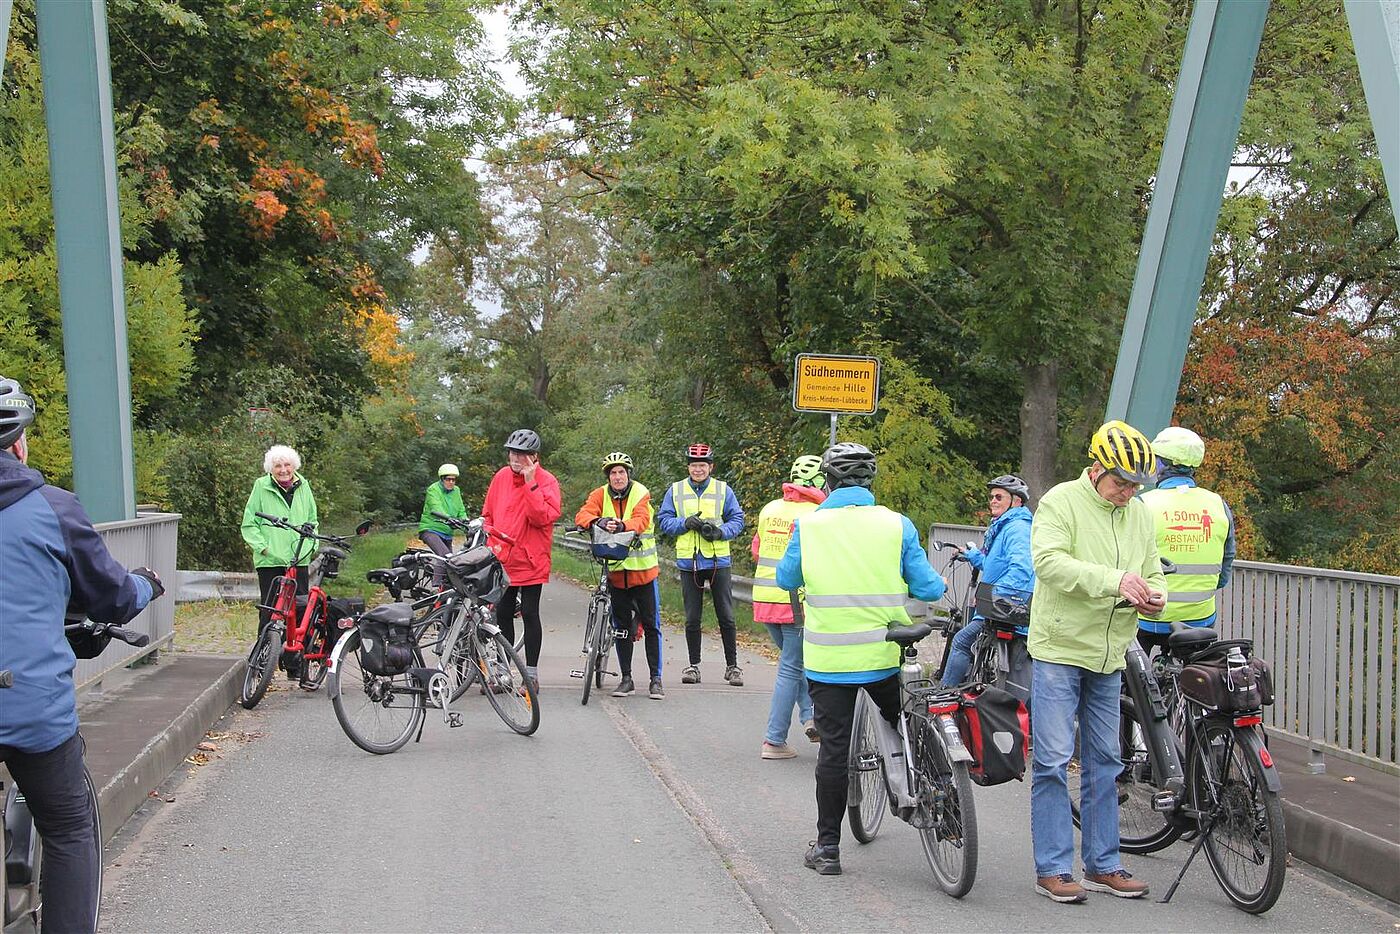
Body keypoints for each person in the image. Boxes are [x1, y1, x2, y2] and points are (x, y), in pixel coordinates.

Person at [0, 376, 164, 934]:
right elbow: (112, 596)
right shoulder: (51, 508)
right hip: (25, 706)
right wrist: (148, 584)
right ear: (19, 445)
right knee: (70, 825)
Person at [775, 442, 946, 876]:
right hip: (884, 654)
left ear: (828, 483)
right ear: (870, 482)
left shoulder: (810, 527)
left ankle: (828, 849)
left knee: (834, 751)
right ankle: (939, 793)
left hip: (829, 661)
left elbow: (785, 578)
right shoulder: (896, 524)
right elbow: (928, 589)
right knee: (908, 722)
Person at [1027, 420, 1167, 903]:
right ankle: (1053, 869)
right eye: (1120, 482)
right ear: (1096, 469)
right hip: (1060, 650)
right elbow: (1047, 562)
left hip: (1110, 653)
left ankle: (1103, 864)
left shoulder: (1140, 513)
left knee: (1106, 761)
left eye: (1135, 485)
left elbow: (1151, 570)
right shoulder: (1060, 502)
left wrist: (1155, 596)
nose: (1128, 492)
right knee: (1051, 760)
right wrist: (1114, 580)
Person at [750, 454, 826, 758]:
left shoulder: (770, 509)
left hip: (765, 599)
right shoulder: (818, 513)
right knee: (791, 668)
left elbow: (756, 551)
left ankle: (810, 717)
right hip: (796, 602)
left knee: (795, 665)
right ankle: (774, 740)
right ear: (820, 482)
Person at [1138, 426, 1236, 654]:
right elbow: (1226, 563)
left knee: (1127, 675)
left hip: (1149, 616)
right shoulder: (1217, 504)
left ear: (1162, 464)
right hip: (1200, 618)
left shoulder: (1144, 504)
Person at [575, 452, 664, 700]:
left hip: (643, 572)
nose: (617, 477)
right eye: (613, 473)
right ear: (608, 476)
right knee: (621, 628)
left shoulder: (640, 493)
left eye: (621, 472)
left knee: (651, 625)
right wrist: (599, 520)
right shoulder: (599, 494)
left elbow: (642, 519)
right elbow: (582, 515)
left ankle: (656, 679)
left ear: (628, 474)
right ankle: (626, 679)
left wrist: (624, 526)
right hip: (615, 573)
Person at [656, 443, 746, 686]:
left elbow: (738, 519)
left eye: (702, 465)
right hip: (690, 562)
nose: (698, 469)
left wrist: (720, 532)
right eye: (694, 465)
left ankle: (733, 667)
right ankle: (693, 666)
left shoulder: (723, 490)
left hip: (718, 560)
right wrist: (685, 523)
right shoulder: (675, 490)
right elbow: (663, 520)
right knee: (692, 617)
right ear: (688, 466)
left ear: (710, 467)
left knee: (726, 615)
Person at [481, 428, 561, 693]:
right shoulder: (501, 478)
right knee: (502, 613)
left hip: (531, 558)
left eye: (522, 454)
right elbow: (488, 514)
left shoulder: (546, 480)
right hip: (504, 558)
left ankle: (531, 675)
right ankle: (503, 673)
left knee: (529, 612)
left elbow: (542, 517)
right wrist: (490, 539)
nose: (516, 458)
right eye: (513, 452)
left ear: (534, 457)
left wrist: (530, 482)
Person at [939, 474, 1035, 688]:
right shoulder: (1005, 527)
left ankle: (944, 697)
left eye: (999, 497)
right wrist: (971, 555)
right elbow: (995, 565)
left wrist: (993, 596)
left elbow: (1021, 569)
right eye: (991, 497)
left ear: (1016, 501)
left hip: (1006, 609)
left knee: (961, 641)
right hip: (1001, 607)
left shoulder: (1017, 528)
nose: (993, 501)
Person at [240, 444, 318, 647]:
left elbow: (312, 520)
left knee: (300, 610)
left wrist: (311, 545)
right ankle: (263, 657)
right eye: (277, 466)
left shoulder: (304, 485)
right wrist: (264, 548)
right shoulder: (261, 486)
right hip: (270, 560)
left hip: (298, 558)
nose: (283, 470)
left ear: (294, 466)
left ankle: (296, 661)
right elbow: (249, 524)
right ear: (270, 469)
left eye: (287, 465)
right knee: (269, 609)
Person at [419, 463, 467, 590]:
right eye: (448, 479)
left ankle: (447, 588)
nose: (451, 482)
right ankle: (436, 588)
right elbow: (436, 507)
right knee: (444, 556)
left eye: (453, 479)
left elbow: (461, 509)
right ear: (442, 479)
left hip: (447, 531)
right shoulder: (433, 489)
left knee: (451, 563)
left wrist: (465, 520)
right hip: (431, 529)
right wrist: (448, 518)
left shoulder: (456, 491)